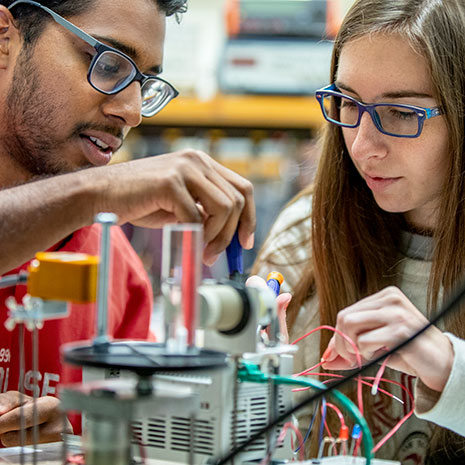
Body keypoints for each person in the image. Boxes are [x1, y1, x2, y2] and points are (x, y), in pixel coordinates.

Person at [0, 0, 255, 447]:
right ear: (5, 38)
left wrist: (84, 439)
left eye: (144, 82)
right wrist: (101, 190)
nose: (132, 111)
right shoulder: (97, 204)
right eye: (109, 62)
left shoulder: (113, 265)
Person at [253, 0, 465, 463]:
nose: (364, 146)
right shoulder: (302, 240)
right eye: (349, 103)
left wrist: (453, 369)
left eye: (402, 113)